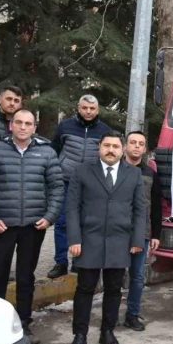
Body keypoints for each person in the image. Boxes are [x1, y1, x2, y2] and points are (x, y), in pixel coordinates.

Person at [67, 130, 146, 344]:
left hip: (120, 241)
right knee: (85, 289)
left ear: (122, 150)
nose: (111, 150)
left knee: (114, 289)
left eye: (115, 146)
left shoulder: (133, 175)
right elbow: (72, 208)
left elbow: (140, 211)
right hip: (88, 241)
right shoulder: (82, 171)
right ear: (99, 148)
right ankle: (80, 335)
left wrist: (137, 239)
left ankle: (107, 332)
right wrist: (74, 238)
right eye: (107, 146)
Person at [0, 109, 63, 344]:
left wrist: (50, 216)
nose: (23, 127)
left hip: (33, 227)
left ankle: (23, 323)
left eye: (28, 123)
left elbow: (57, 189)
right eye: (18, 122)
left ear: (34, 127)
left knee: (25, 277)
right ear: (11, 126)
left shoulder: (47, 152)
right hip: (1, 226)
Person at [47, 95, 111, 279]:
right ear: (78, 108)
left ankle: (78, 262)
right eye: (84, 108)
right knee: (61, 223)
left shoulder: (104, 130)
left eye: (92, 108)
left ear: (97, 110)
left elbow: (107, 156)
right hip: (65, 181)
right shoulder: (65, 126)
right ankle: (60, 262)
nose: (88, 112)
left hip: (90, 184)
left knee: (84, 223)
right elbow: (54, 150)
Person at [122, 131, 162, 331]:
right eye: (132, 142)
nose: (136, 146)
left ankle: (132, 314)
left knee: (137, 276)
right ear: (125, 146)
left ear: (145, 149)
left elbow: (156, 207)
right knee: (114, 275)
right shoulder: (115, 170)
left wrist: (156, 234)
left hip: (142, 233)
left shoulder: (151, 175)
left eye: (140, 143)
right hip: (116, 232)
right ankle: (110, 314)